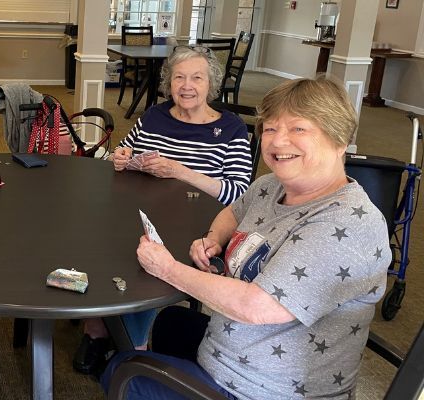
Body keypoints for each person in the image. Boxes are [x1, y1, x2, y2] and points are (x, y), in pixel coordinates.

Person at [100, 76, 391, 399]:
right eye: (270, 128)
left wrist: (168, 269)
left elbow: (258, 307)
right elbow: (233, 212)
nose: (279, 141)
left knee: (122, 370)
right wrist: (215, 238)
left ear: (339, 141)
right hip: (238, 348)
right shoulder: (272, 186)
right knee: (172, 322)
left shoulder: (346, 226)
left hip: (266, 389)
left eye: (298, 129)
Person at [74, 45, 253, 375]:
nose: (187, 86)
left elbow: (239, 194)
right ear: (169, 82)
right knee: (95, 240)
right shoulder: (154, 116)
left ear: (210, 83)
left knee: (146, 260)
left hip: (198, 225)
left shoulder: (231, 129)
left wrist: (179, 171)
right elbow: (125, 151)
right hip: (138, 210)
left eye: (197, 78)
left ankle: (134, 346)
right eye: (179, 77)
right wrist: (121, 158)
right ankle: (96, 328)